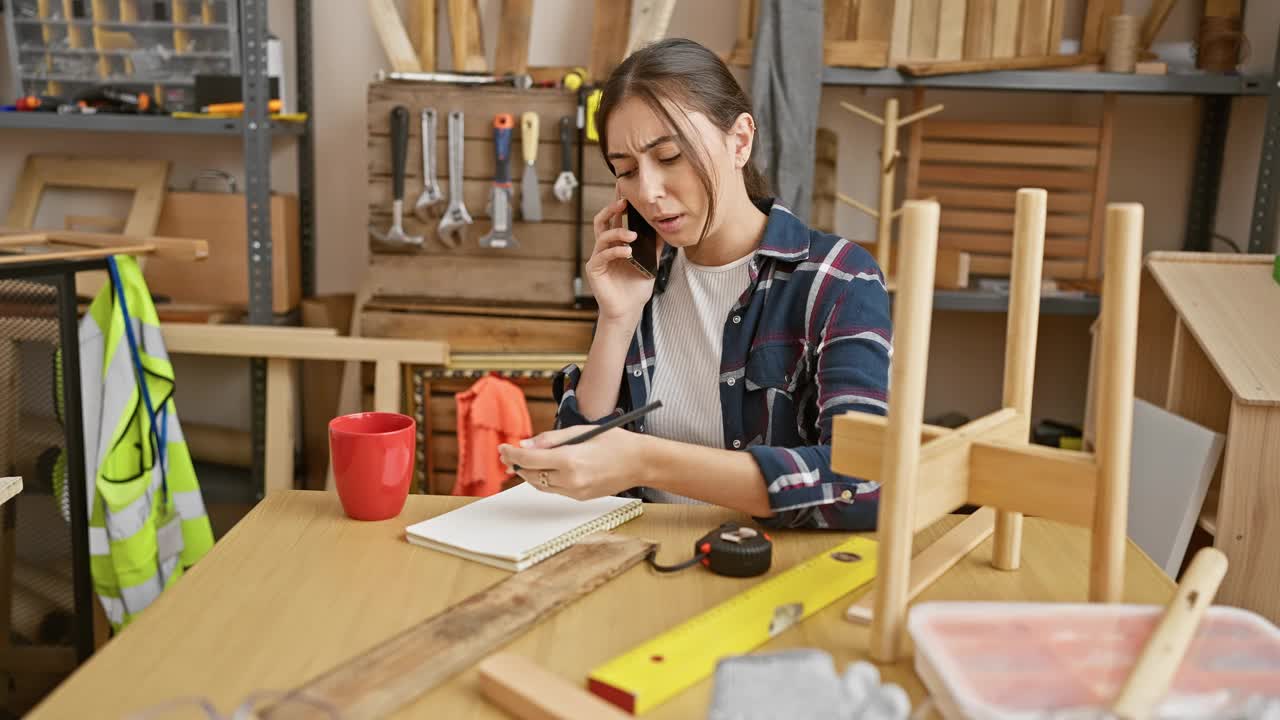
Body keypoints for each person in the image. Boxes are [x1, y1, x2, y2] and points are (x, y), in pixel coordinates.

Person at [498, 38, 891, 530]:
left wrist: (647, 460)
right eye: (625, 170)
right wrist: (616, 319)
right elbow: (580, 476)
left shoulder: (838, 280)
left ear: (740, 141)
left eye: (669, 157)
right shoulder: (643, 279)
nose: (649, 192)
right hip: (642, 567)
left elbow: (863, 484)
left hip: (769, 577)